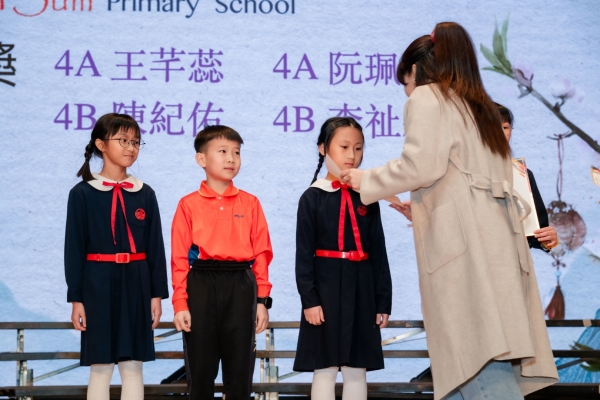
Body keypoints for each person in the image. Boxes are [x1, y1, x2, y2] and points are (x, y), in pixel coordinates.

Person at [340, 23, 558, 400]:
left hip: (467, 257)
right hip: (498, 251)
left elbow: (420, 166)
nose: (407, 93)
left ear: (415, 70)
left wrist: (365, 180)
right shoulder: (480, 106)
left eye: (406, 84)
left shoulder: (428, 98)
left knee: (477, 362)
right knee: (471, 369)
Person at [65, 113, 169, 400]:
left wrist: (156, 295)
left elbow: (155, 248)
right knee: (100, 366)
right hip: (97, 283)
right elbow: (74, 249)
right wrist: (76, 299)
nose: (130, 148)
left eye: (135, 142)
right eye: (123, 140)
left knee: (133, 365)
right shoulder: (82, 193)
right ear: (101, 144)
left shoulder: (145, 193)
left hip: (137, 282)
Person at [171, 125, 273, 400]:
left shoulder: (250, 203)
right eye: (223, 151)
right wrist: (180, 303)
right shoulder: (188, 204)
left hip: (241, 283)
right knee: (200, 369)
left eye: (236, 152)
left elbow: (262, 254)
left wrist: (262, 301)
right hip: (201, 284)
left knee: (239, 370)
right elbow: (179, 259)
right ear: (201, 159)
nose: (231, 159)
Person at [294, 117, 393, 400]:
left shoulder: (368, 197)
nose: (352, 155)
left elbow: (379, 252)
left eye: (358, 148)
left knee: (356, 367)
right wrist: (309, 300)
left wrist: (382, 301)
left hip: (361, 289)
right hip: (324, 291)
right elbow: (303, 256)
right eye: (344, 147)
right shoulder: (312, 197)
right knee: (324, 367)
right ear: (323, 148)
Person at [496, 103, 558, 251]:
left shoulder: (522, 174)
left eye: (505, 127)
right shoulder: (462, 174)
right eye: (492, 127)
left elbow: (538, 232)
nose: (499, 133)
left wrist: (548, 239)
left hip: (513, 260)